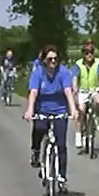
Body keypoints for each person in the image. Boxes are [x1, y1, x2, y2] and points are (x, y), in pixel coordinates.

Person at [22, 44, 78, 187]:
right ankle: (36, 151)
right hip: (42, 109)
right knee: (39, 129)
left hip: (59, 110)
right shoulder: (38, 73)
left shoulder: (63, 72)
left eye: (55, 59)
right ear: (44, 60)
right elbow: (33, 92)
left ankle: (62, 177)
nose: (53, 62)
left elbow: (68, 91)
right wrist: (30, 109)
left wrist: (73, 109)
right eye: (50, 59)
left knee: (61, 145)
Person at [72, 39, 99, 152]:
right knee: (81, 111)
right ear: (83, 54)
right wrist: (74, 88)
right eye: (87, 53)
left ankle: (97, 118)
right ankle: (79, 134)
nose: (89, 55)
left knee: (98, 101)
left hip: (94, 89)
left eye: (91, 52)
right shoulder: (78, 64)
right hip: (83, 90)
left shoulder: (98, 63)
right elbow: (74, 78)